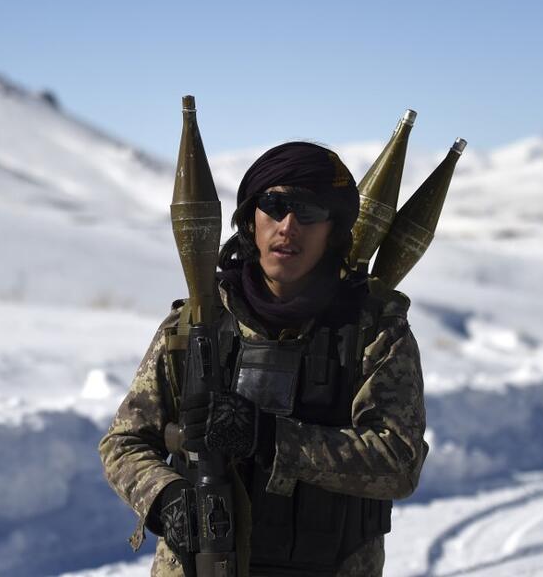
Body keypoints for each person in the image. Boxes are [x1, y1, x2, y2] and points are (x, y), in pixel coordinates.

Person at [99, 142, 428, 577]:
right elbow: (124, 442)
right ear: (250, 218)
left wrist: (269, 438)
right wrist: (165, 499)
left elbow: (397, 461)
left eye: (309, 212)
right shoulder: (196, 324)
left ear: (335, 230)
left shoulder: (374, 331)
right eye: (274, 205)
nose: (288, 226)